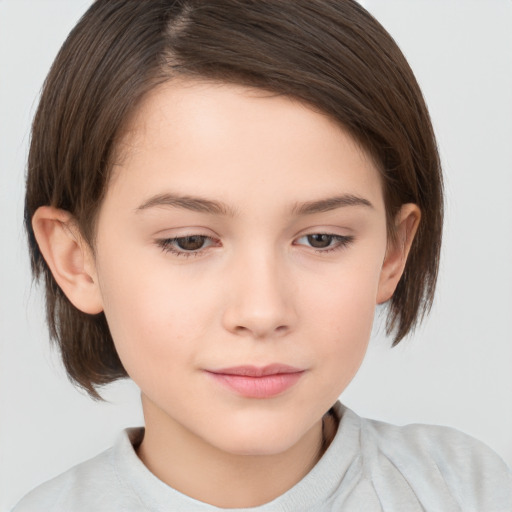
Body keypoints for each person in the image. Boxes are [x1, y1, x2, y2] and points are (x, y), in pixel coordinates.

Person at [12, 0, 512, 510]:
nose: (262, 312)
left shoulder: (467, 491)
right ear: (77, 259)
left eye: (322, 239)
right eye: (189, 241)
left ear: (393, 251)